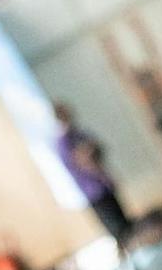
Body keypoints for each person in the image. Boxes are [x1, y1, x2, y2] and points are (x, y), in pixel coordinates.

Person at [51, 103, 131, 250]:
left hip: (103, 185)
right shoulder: (64, 142)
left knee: (125, 224)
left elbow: (97, 148)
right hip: (93, 191)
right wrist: (90, 157)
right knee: (119, 231)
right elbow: (83, 161)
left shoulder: (79, 134)